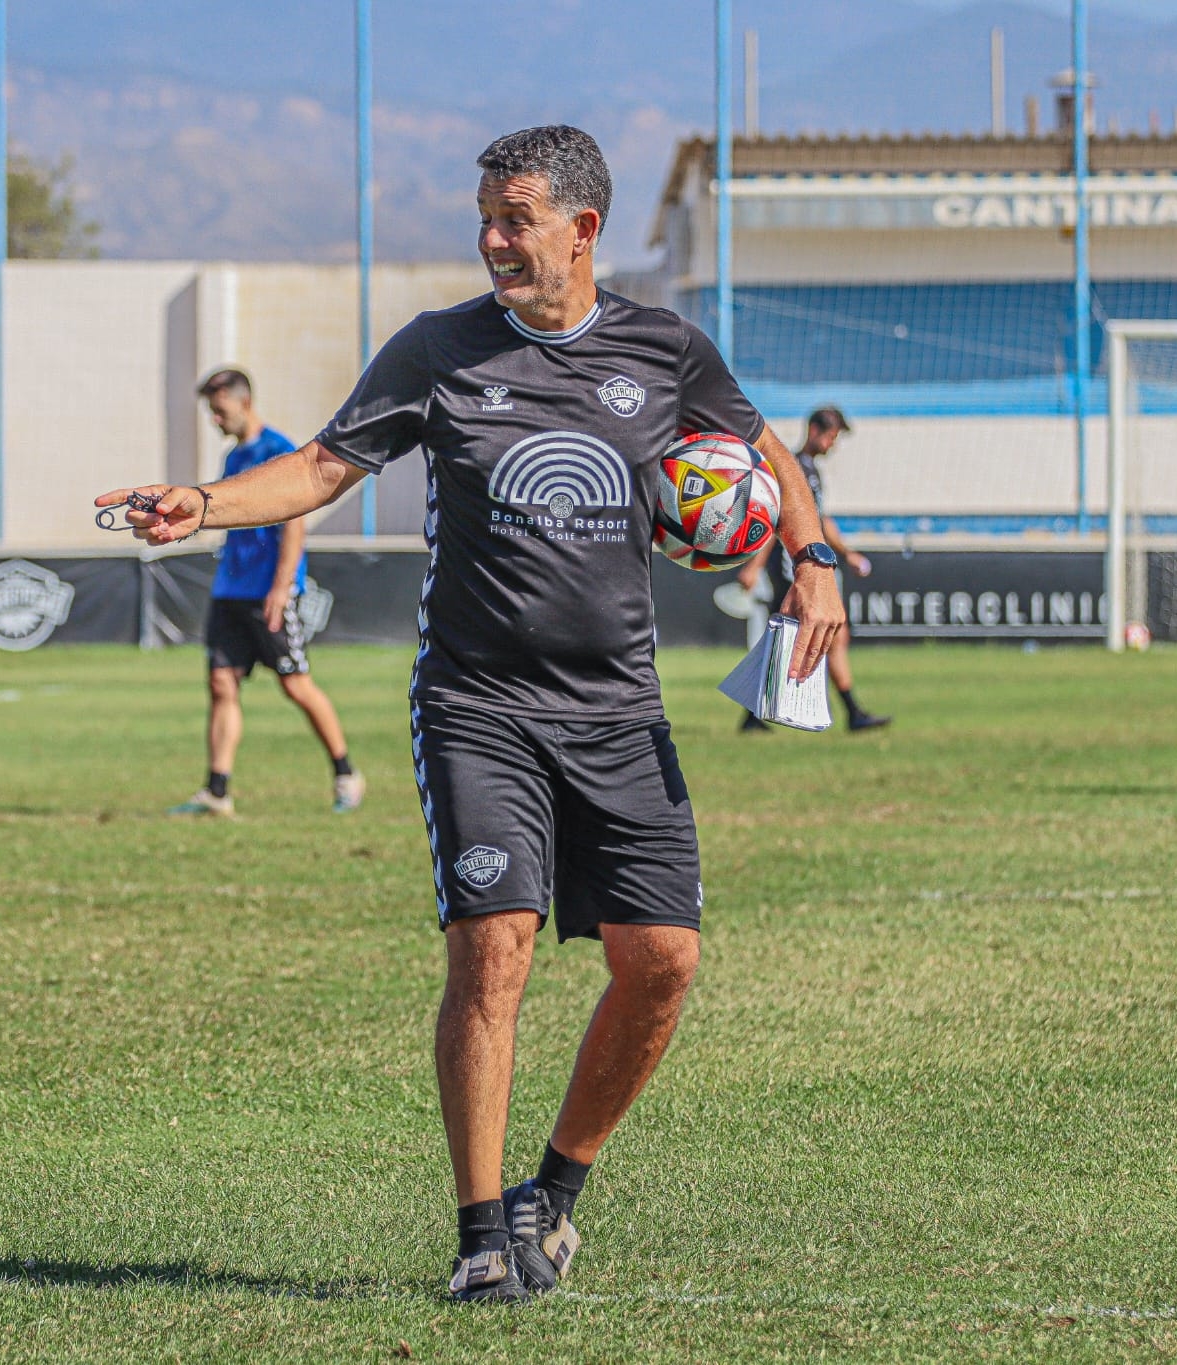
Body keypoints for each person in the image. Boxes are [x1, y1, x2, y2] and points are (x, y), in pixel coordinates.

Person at [97, 125, 843, 1302]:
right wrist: (202, 505)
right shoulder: (437, 350)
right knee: (492, 951)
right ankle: (481, 1233)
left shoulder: (664, 350)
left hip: (619, 711)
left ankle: (556, 1192)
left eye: (516, 221)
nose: (493, 241)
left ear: (582, 231)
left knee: (662, 964)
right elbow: (324, 469)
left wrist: (812, 559)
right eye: (484, 220)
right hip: (477, 703)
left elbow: (763, 458)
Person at [167, 367, 365, 817]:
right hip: (230, 590)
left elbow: (295, 525)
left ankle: (346, 773)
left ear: (245, 402)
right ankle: (217, 791)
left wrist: (281, 588)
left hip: (267, 593)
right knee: (221, 683)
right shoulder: (234, 458)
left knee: (295, 684)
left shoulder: (278, 450)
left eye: (220, 412)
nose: (215, 421)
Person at [734, 406, 889, 732]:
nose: (833, 444)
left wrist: (847, 553)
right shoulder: (792, 469)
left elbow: (821, 521)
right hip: (796, 568)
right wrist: (753, 567)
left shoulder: (812, 472)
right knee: (809, 637)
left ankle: (756, 715)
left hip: (805, 565)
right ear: (816, 431)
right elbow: (775, 522)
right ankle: (851, 713)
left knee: (802, 639)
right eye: (832, 436)